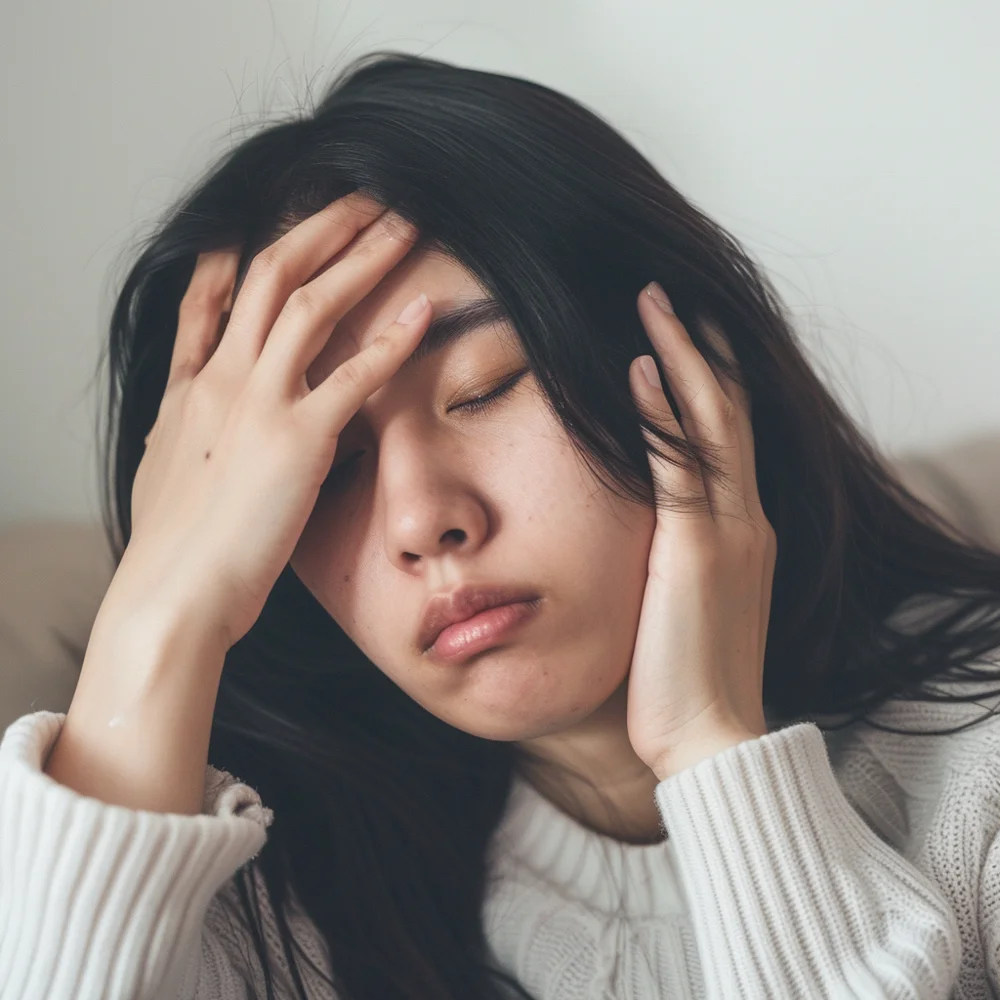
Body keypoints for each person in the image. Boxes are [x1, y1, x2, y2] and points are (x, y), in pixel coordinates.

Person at [2, 49, 1000, 1000]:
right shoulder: (271, 896)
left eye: (484, 388)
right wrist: (162, 607)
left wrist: (712, 749)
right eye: (330, 469)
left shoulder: (975, 773)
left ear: (692, 369)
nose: (423, 519)